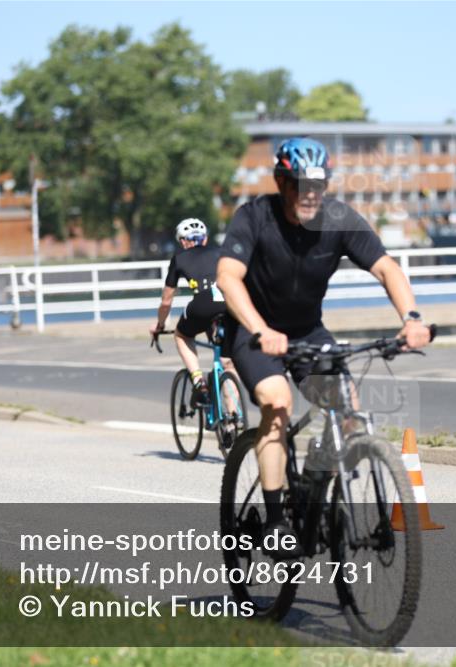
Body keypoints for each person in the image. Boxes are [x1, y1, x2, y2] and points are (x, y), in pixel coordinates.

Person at [216, 137, 431, 556]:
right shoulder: (254, 217)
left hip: (309, 332)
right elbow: (227, 277)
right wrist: (261, 329)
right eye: (300, 185)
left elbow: (386, 267)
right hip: (253, 332)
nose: (310, 195)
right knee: (277, 404)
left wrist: (411, 319)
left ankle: (315, 490)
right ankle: (277, 520)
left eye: (319, 185)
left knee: (347, 413)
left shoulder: (338, 220)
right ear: (282, 182)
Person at [150, 218, 233, 406]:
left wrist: (160, 325)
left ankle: (198, 381)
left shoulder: (179, 258)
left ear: (183, 241)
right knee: (227, 363)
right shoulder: (221, 252)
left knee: (182, 335)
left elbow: (166, 301)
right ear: (204, 239)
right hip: (229, 303)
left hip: (203, 303)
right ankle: (233, 419)